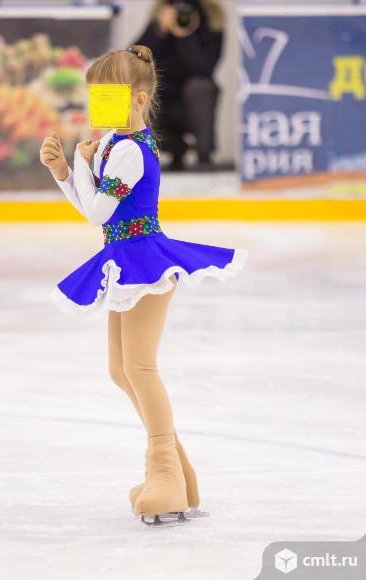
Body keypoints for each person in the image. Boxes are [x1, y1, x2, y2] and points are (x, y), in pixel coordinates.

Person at [40, 44, 248, 524]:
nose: (97, 107)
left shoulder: (131, 151)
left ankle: (165, 474)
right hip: (123, 260)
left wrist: (77, 165)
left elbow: (98, 211)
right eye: (94, 97)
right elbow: (93, 209)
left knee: (140, 366)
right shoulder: (112, 144)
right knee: (120, 369)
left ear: (136, 98)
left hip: (145, 262)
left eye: (107, 97)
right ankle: (179, 476)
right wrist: (64, 173)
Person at [133, 0, 225, 171]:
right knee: (144, 91)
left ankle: (204, 154)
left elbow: (205, 68)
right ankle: (173, 148)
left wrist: (184, 35)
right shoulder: (161, 15)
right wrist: (159, 31)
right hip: (163, 99)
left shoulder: (212, 18)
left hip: (195, 102)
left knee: (201, 87)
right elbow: (133, 59)